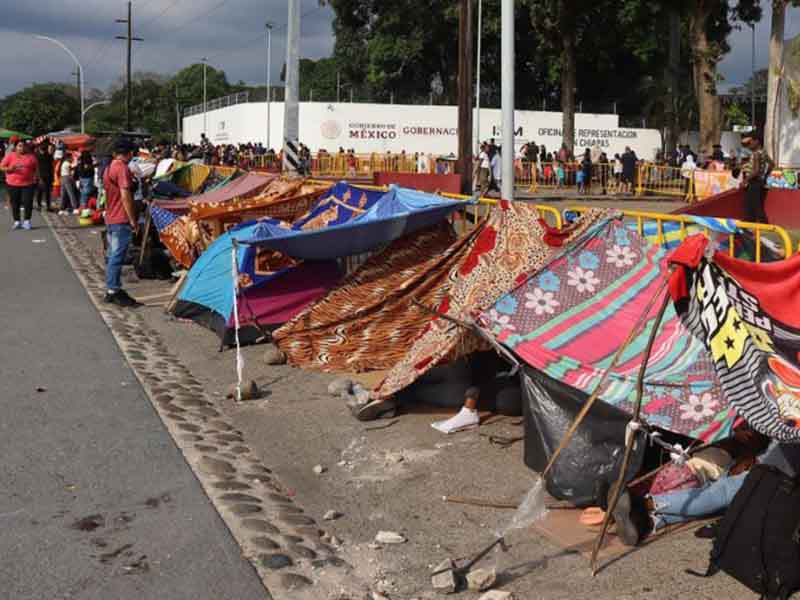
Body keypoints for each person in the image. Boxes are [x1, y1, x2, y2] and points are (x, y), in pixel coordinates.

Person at [103, 139, 141, 308]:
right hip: (121, 218)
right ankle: (113, 289)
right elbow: (125, 196)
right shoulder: (122, 169)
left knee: (112, 255)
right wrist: (133, 220)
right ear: (129, 153)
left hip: (111, 216)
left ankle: (112, 288)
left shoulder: (109, 167)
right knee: (117, 256)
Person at [0, 138, 38, 230]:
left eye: (24, 146)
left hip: (28, 184)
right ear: (16, 147)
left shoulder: (31, 157)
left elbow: (36, 168)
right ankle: (17, 221)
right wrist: (10, 169)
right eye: (20, 146)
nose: (22, 148)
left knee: (28, 202)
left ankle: (27, 221)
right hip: (13, 184)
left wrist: (38, 178)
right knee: (15, 203)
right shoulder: (10, 156)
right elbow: (1, 166)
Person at [741, 131, 774, 223]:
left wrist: (745, 180)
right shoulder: (763, 152)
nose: (749, 145)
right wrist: (765, 177)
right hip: (759, 181)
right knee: (757, 204)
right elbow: (772, 164)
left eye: (750, 142)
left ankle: (761, 224)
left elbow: (755, 170)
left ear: (757, 141)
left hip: (753, 181)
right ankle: (754, 223)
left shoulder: (756, 154)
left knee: (752, 205)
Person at [34, 143, 54, 212]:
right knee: (44, 192)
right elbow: (51, 168)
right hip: (43, 176)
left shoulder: (37, 156)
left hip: (44, 176)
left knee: (43, 192)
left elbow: (51, 167)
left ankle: (42, 206)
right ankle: (45, 206)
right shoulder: (47, 156)